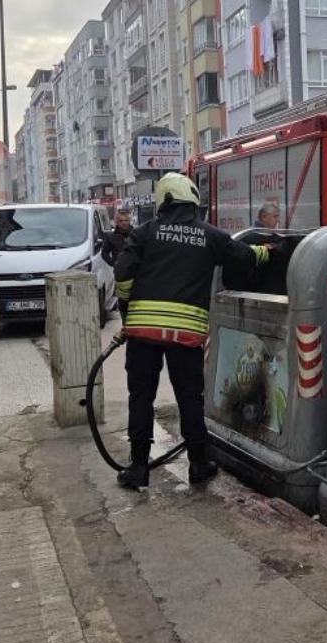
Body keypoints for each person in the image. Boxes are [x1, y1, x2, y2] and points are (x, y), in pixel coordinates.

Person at [113, 173, 272, 490]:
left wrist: (128, 309)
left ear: (163, 200)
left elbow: (122, 273)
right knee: (189, 398)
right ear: (192, 200)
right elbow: (242, 255)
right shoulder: (209, 235)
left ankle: (139, 468)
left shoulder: (145, 233)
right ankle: (198, 464)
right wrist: (267, 251)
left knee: (141, 397)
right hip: (185, 335)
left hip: (143, 333)